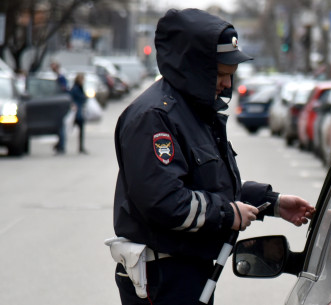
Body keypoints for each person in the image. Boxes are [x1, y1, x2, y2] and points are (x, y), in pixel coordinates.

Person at [109, 8, 316, 305]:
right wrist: (228, 214)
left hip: (189, 272)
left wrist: (273, 203)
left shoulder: (194, 113)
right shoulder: (155, 117)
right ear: (194, 69)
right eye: (220, 74)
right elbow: (164, 202)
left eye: (231, 75)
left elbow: (212, 188)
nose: (227, 84)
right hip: (163, 276)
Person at [50, 61, 68, 154]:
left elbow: (64, 89)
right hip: (57, 104)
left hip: (60, 104)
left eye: (53, 67)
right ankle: (59, 144)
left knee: (61, 126)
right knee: (59, 126)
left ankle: (61, 145)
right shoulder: (57, 77)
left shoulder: (61, 77)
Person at [69, 73, 88, 154]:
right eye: (82, 80)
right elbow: (80, 98)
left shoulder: (79, 88)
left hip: (79, 112)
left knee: (80, 131)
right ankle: (59, 145)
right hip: (76, 113)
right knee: (67, 129)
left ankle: (81, 147)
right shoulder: (76, 88)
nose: (83, 81)